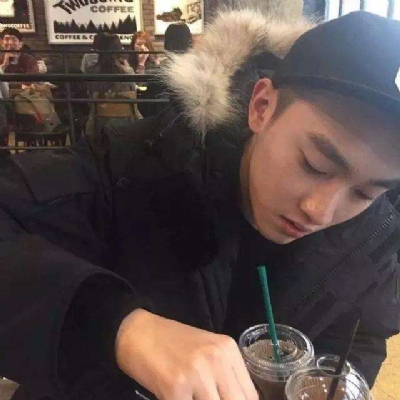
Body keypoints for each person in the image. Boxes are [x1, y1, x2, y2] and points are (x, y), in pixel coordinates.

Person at [0, 5, 399, 400]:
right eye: (314, 165)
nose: (321, 211)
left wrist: (331, 382)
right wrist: (119, 326)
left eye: (364, 193)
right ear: (262, 107)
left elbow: (362, 331)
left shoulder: (374, 234)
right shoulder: (132, 167)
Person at [85, 34, 140, 137]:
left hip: (100, 125)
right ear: (119, 50)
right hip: (126, 124)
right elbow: (134, 96)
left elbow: (90, 99)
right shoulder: (127, 72)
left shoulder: (91, 72)